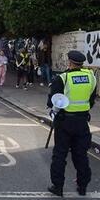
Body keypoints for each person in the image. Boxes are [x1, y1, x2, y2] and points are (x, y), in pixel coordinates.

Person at [47, 50, 97, 197]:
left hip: (64, 122)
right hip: (82, 122)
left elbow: (52, 101)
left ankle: (58, 187)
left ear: (69, 62)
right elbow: (91, 100)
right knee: (81, 155)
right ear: (81, 63)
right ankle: (82, 187)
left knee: (60, 155)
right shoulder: (91, 77)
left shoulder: (63, 78)